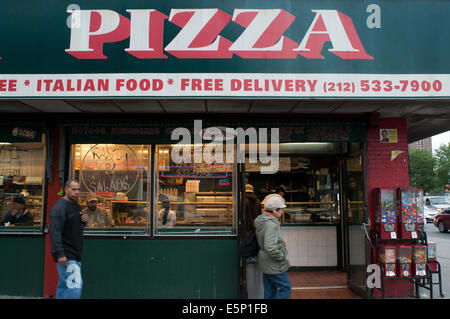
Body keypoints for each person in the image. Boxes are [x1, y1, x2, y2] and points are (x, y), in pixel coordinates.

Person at [49, 180, 88, 299]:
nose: (77, 192)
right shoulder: (59, 208)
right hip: (66, 253)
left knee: (64, 284)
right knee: (75, 286)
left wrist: (83, 222)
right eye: (73, 189)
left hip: (75, 253)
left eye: (78, 189)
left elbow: (75, 229)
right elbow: (55, 233)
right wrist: (60, 254)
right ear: (66, 189)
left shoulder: (77, 206)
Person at [254, 195, 292, 299]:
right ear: (275, 210)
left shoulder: (262, 221)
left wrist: (280, 241)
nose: (282, 212)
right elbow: (270, 246)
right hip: (274, 263)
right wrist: (281, 256)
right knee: (286, 289)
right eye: (281, 210)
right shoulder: (271, 224)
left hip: (265, 262)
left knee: (269, 291)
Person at [244, 183, 263, 299]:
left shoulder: (243, 201)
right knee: (254, 260)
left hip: (246, 233)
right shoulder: (258, 202)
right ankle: (256, 289)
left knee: (247, 262)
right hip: (255, 232)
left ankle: (247, 284)